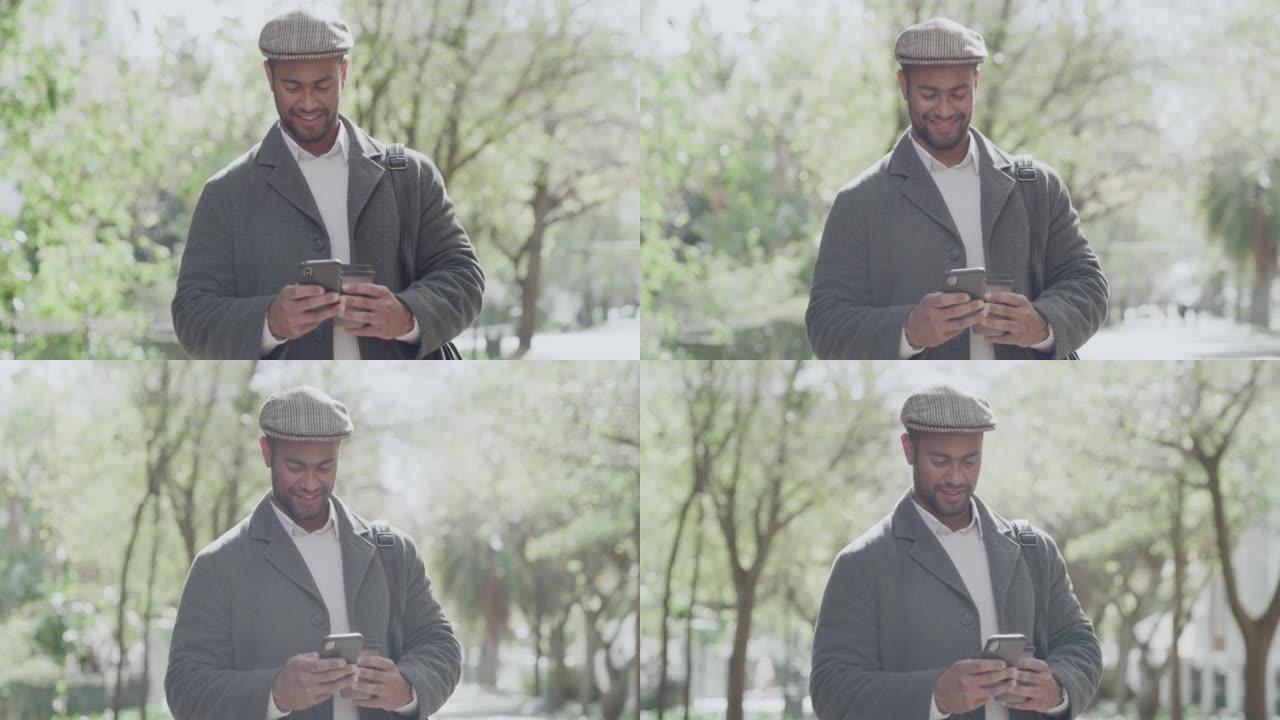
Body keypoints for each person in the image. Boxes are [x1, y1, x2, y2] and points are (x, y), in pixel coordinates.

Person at [172, 9, 484, 360]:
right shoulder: (226, 192)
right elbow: (192, 316)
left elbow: (464, 277)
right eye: (292, 86)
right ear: (269, 77)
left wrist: (408, 315)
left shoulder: (412, 175)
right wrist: (268, 322)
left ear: (344, 72)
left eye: (323, 85)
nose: (308, 102)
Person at [805, 17, 1108, 360]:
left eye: (958, 93)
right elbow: (825, 326)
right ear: (903, 85)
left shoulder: (1039, 186)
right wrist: (907, 330)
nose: (945, 110)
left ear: (977, 82)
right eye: (929, 94)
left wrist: (1042, 324)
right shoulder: (857, 203)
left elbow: (1088, 284)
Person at [165, 386, 461, 720]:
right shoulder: (217, 566)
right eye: (295, 466)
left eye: (324, 467)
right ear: (266, 452)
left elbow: (441, 646)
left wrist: (407, 688)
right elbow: (185, 690)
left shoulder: (394, 552)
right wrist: (274, 693)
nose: (309, 483)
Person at [810, 385, 1101, 719]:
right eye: (940, 461)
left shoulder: (1035, 550)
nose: (956, 477)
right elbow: (831, 691)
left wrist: (1059, 687)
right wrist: (935, 697)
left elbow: (1081, 644)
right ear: (908, 449)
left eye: (970, 461)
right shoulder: (860, 564)